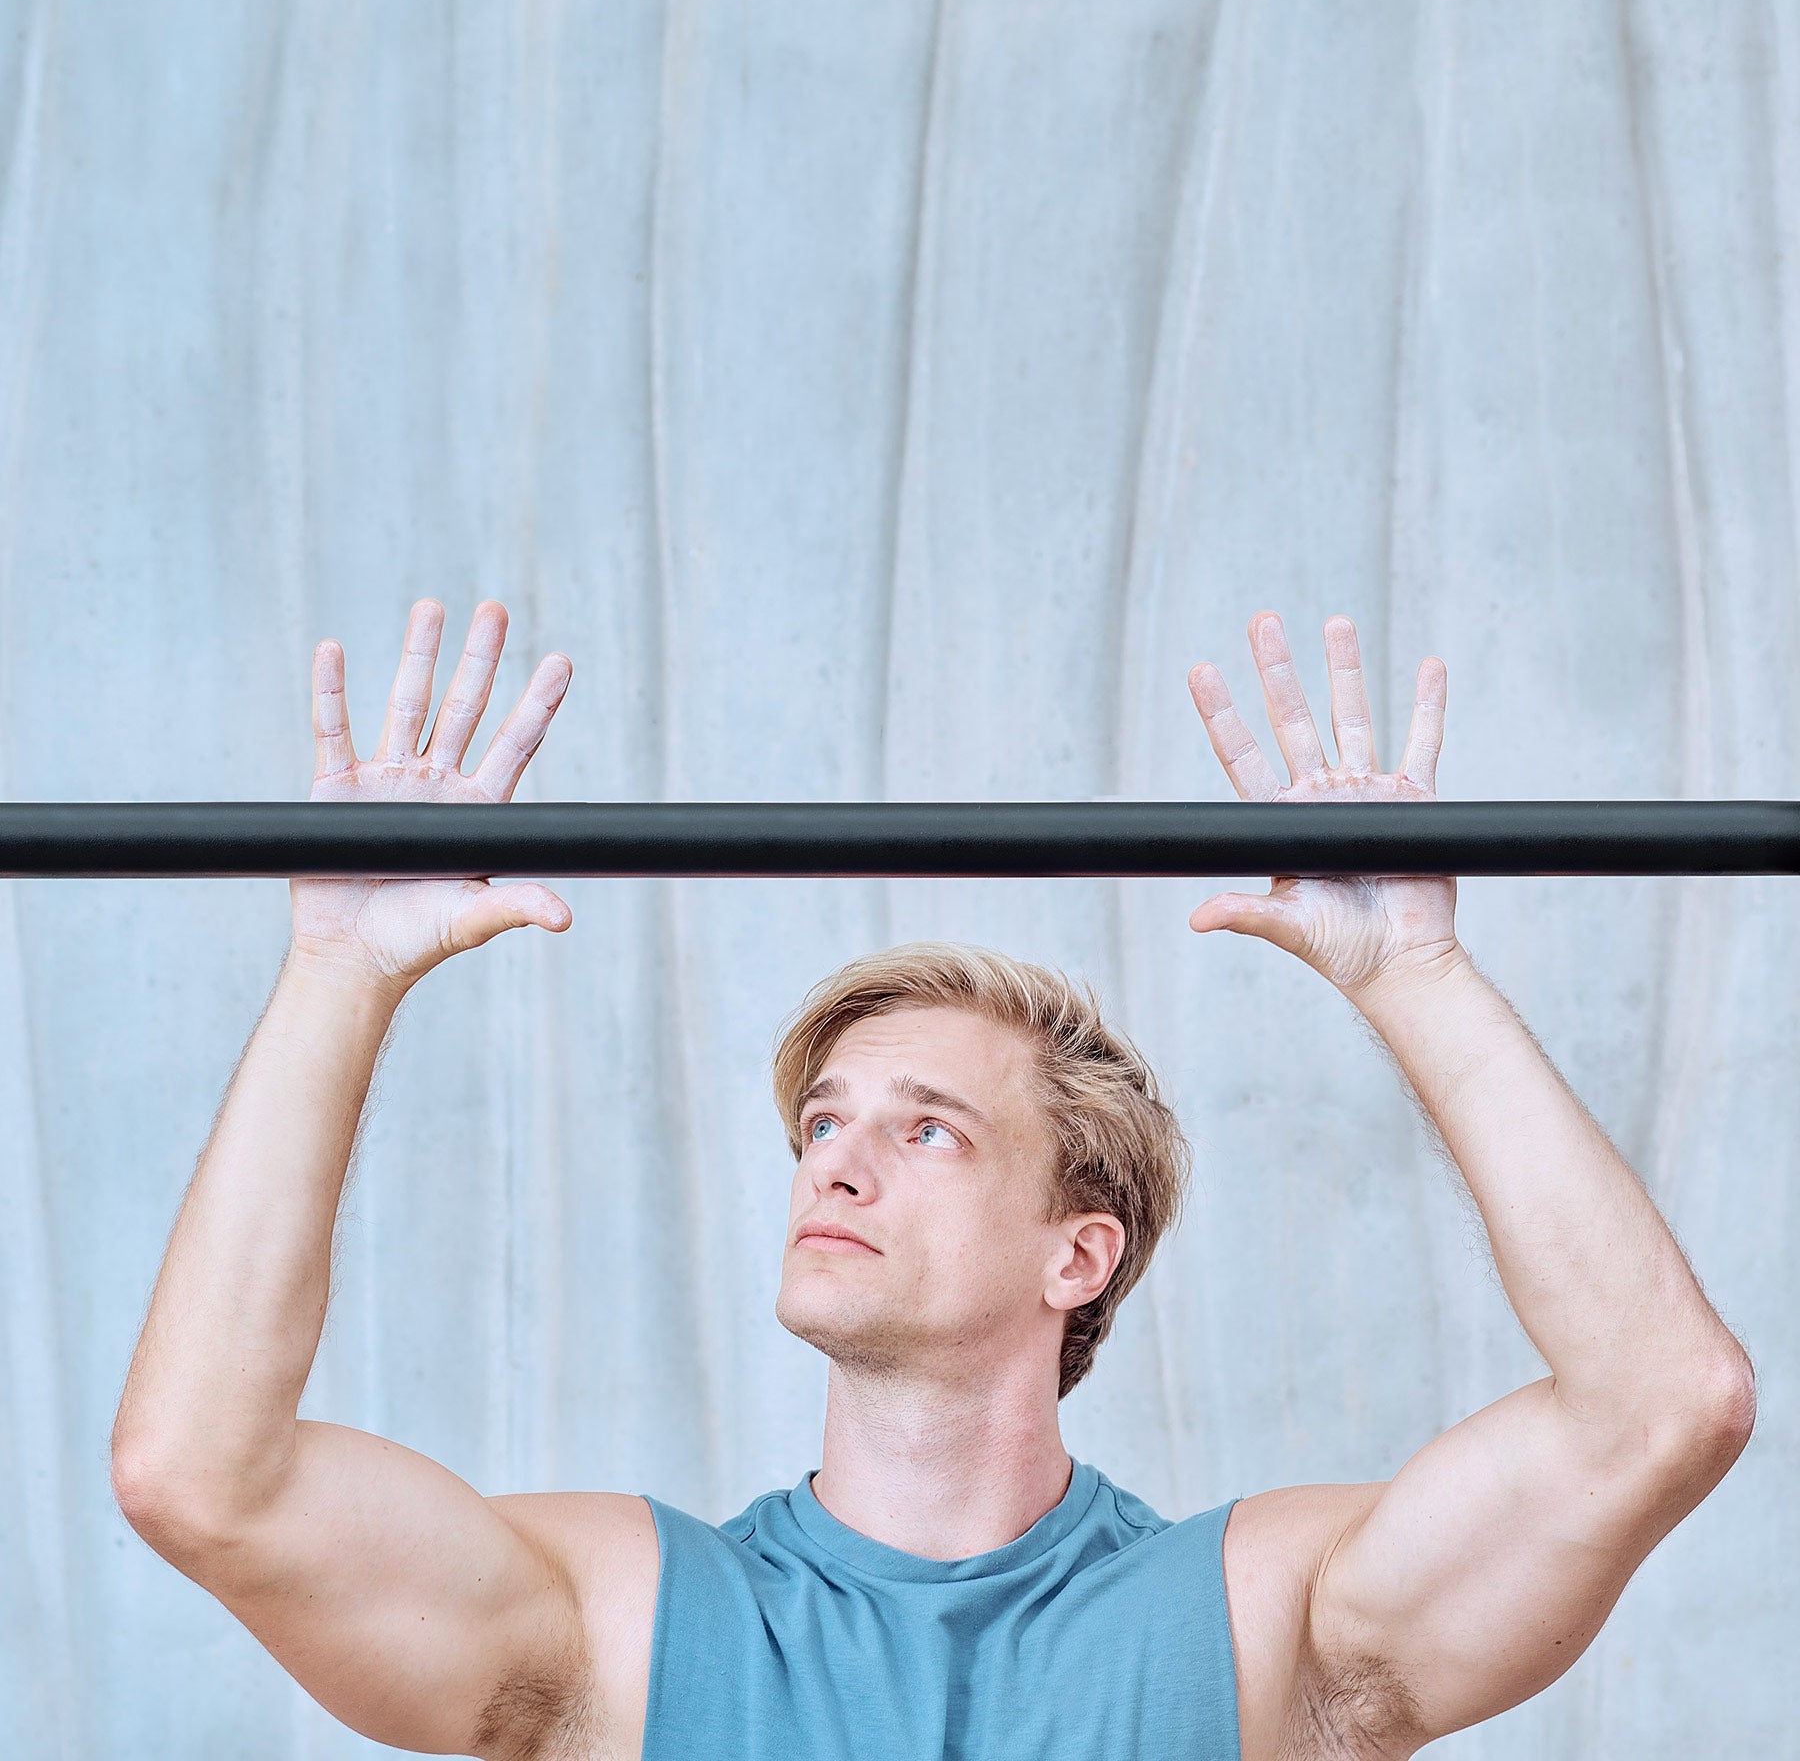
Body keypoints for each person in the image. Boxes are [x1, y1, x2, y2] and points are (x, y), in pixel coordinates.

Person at [110, 597, 1757, 1761]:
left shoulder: (1258, 1621)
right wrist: (337, 976)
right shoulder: (626, 1620)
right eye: (823, 1124)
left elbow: (1662, 1408)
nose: (836, 1161)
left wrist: (1417, 977)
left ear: (1076, 1256)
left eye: (926, 1129)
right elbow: (201, 1476)